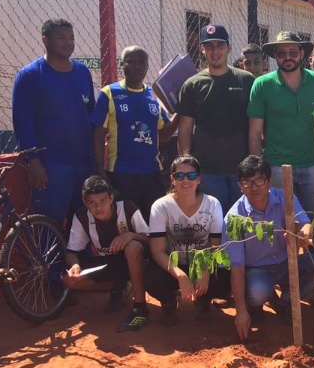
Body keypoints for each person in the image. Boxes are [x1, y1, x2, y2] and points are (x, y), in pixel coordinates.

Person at [226, 155, 314, 340]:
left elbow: (305, 222)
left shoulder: (285, 197)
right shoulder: (234, 218)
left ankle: (284, 301)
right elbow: (237, 267)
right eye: (247, 182)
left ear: (269, 181)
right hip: (258, 270)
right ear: (240, 186)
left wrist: (304, 233)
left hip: (287, 261)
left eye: (259, 180)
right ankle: (256, 304)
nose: (254, 187)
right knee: (256, 293)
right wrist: (240, 311)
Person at [12, 18, 95, 226]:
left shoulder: (82, 72)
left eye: (72, 38)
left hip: (83, 163)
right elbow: (23, 122)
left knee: (82, 222)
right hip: (51, 166)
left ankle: (79, 260)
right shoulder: (30, 76)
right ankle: (52, 261)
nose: (69, 43)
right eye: (62, 38)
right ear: (45, 40)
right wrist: (34, 161)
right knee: (51, 223)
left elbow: (90, 112)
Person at [91, 45, 177, 221]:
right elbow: (98, 135)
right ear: (122, 65)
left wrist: (182, 109)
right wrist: (100, 170)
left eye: (141, 63)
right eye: (130, 62)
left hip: (151, 172)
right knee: (129, 223)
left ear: (147, 66)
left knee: (155, 223)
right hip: (121, 173)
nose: (136, 67)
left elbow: (165, 135)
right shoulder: (109, 93)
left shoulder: (154, 95)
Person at [248, 31, 314, 214]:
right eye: (281, 53)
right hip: (277, 166)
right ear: (275, 56)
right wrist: (258, 171)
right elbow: (254, 133)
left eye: (292, 52)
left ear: (301, 53)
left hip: (311, 165)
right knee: (282, 223)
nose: (288, 57)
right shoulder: (262, 84)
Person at [177, 24, 255, 214]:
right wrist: (187, 166)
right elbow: (185, 129)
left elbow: (256, 126)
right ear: (202, 49)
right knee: (216, 223)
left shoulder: (247, 80)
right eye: (209, 46)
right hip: (208, 170)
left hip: (242, 169)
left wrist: (254, 164)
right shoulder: (192, 85)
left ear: (229, 48)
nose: (215, 51)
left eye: (220, 45)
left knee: (246, 222)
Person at [146, 155, 229, 326]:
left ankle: (204, 299)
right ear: (172, 179)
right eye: (179, 176)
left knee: (225, 279)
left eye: (191, 176)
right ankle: (169, 303)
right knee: (152, 280)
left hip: (202, 262)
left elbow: (215, 246)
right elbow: (157, 251)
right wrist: (181, 275)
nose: (185, 180)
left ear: (198, 179)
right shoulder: (161, 206)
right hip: (173, 263)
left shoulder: (213, 204)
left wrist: (204, 271)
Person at [62, 175, 151, 332]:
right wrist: (75, 265)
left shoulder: (127, 208)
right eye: (92, 203)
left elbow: (150, 240)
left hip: (133, 261)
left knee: (133, 247)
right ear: (85, 202)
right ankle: (118, 288)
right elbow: (71, 252)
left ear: (111, 198)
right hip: (106, 263)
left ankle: (140, 308)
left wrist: (130, 235)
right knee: (69, 280)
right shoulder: (81, 216)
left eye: (103, 201)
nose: (98, 208)